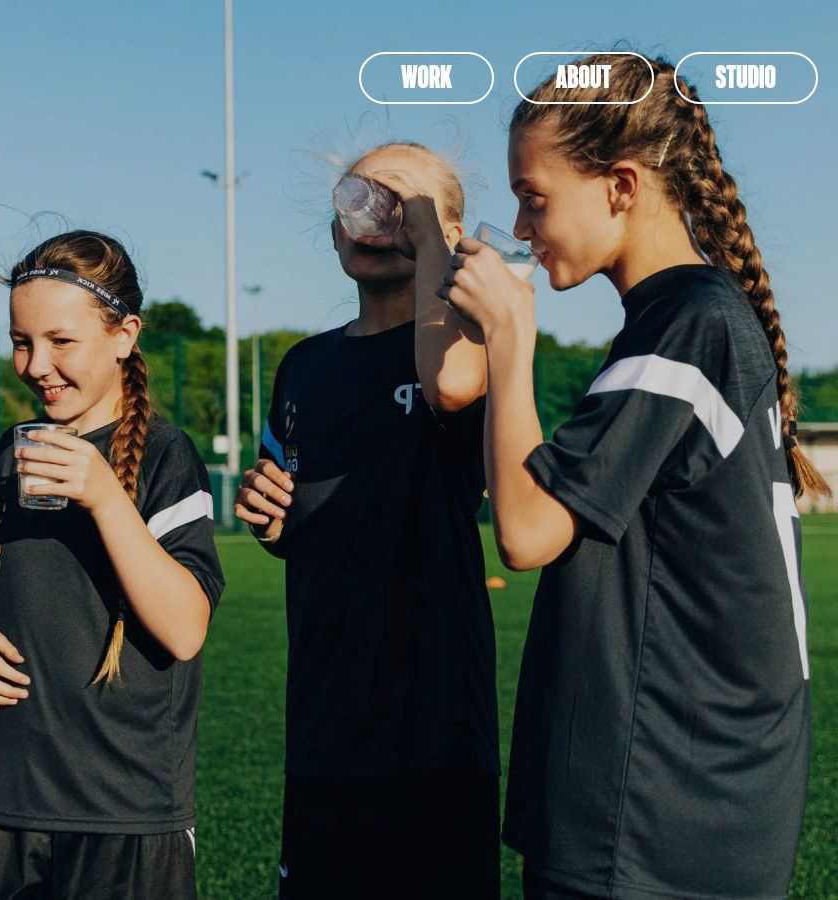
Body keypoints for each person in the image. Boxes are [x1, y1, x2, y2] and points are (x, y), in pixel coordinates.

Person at [438, 53, 828, 899]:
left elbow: (529, 531)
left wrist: (511, 337)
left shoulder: (688, 325)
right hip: (698, 795)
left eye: (533, 197)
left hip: (657, 801)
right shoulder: (692, 317)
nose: (521, 223)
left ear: (621, 185)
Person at [236, 142, 499, 897]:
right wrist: (269, 517)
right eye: (361, 200)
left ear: (446, 230)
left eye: (405, 204)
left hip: (436, 727)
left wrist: (434, 247)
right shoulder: (303, 366)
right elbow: (296, 519)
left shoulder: (467, 348)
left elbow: (452, 389)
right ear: (334, 231)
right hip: (326, 718)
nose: (379, 217)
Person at [0, 230, 224, 900]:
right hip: (10, 802)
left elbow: (185, 629)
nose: (35, 364)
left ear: (124, 335)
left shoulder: (166, 455)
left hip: (124, 809)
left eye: (61, 341)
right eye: (22, 342)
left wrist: (105, 496)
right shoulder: (8, 456)